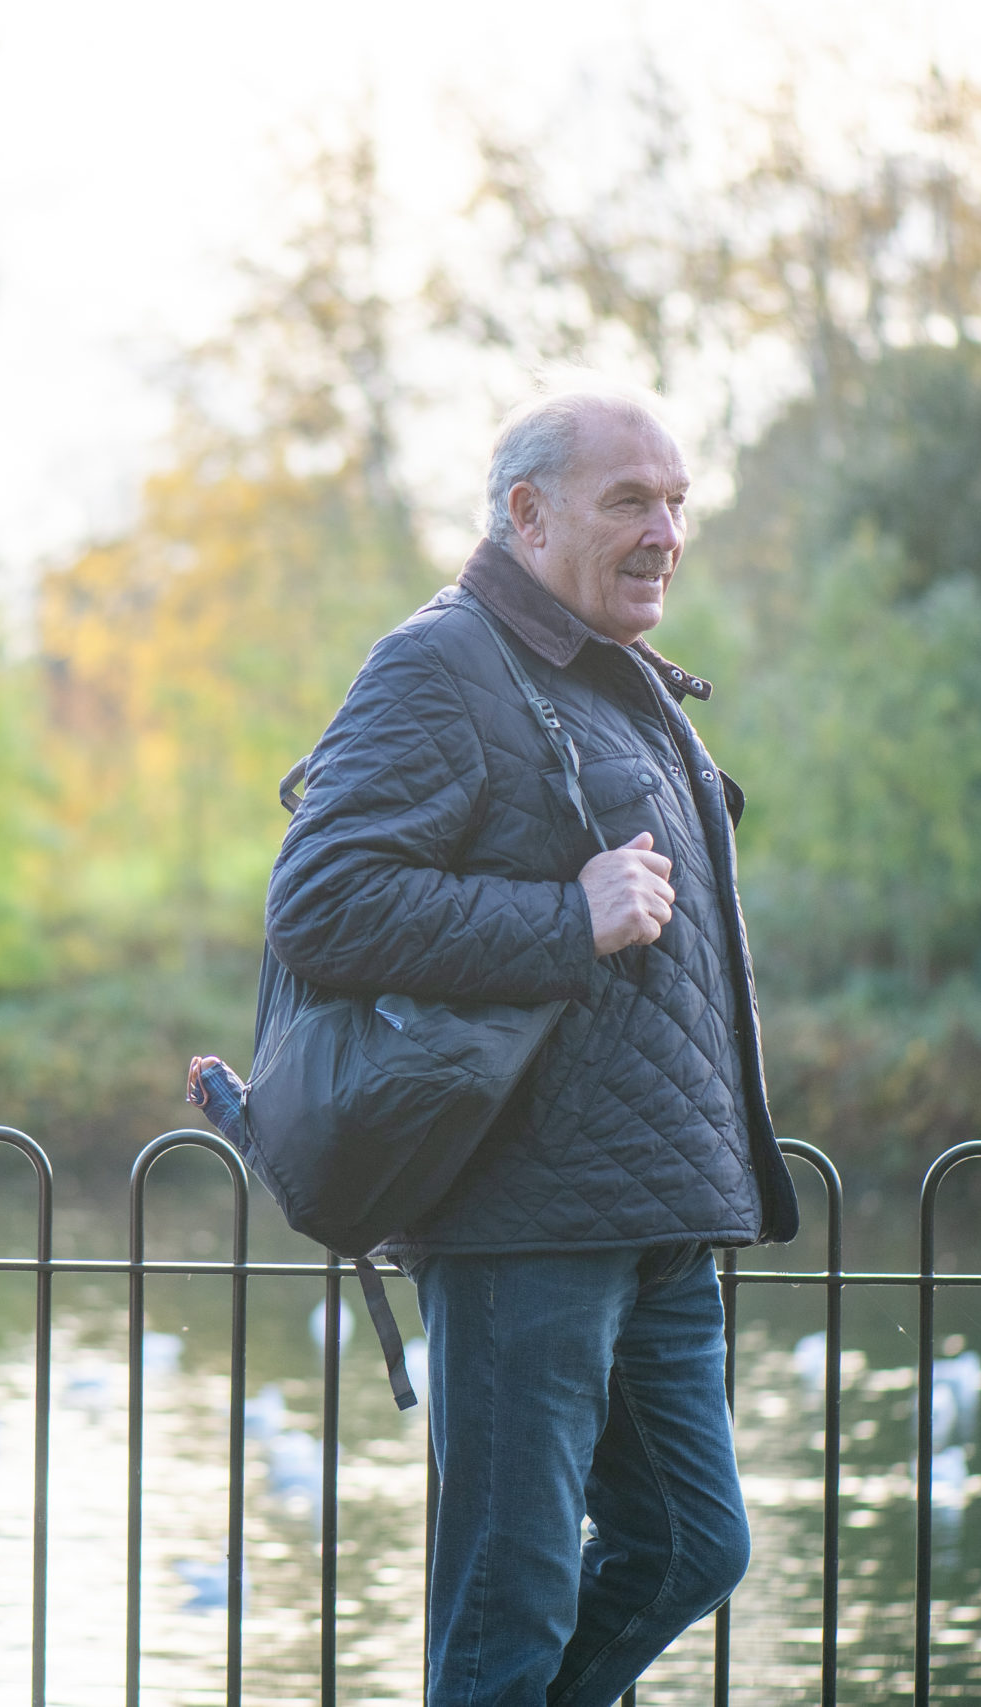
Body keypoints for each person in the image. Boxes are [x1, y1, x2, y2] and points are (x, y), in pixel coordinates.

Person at [250, 385, 799, 1707]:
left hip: (656, 1212)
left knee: (689, 1543)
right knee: (511, 1606)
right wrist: (570, 918)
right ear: (528, 513)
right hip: (525, 1221)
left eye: (677, 501)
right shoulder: (443, 662)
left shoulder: (619, 675)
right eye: (632, 501)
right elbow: (321, 900)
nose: (666, 529)